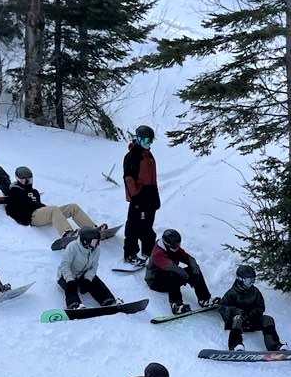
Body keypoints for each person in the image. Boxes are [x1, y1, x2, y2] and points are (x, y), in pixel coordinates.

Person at [4, 166, 103, 238]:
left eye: (29, 179)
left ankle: (92, 229)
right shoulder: (15, 190)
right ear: (18, 179)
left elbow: (39, 206)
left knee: (73, 207)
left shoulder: (34, 192)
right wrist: (24, 219)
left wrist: (46, 209)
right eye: (24, 180)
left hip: (43, 213)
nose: (28, 182)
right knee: (53, 209)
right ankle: (67, 234)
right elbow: (11, 209)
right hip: (31, 217)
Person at [145, 228, 213, 313]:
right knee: (173, 274)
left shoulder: (172, 248)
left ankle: (204, 299)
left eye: (178, 245)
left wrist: (193, 265)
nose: (177, 248)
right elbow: (170, 267)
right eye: (174, 246)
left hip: (170, 276)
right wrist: (185, 275)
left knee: (194, 270)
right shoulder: (158, 253)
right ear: (167, 244)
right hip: (155, 281)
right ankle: (176, 305)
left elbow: (185, 257)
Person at [218, 264, 283, 351]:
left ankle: (274, 345)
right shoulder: (232, 293)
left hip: (251, 321)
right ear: (241, 280)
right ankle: (236, 345)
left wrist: (253, 313)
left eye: (253, 280)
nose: (251, 282)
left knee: (268, 319)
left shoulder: (255, 292)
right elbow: (222, 307)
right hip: (236, 324)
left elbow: (261, 306)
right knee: (237, 318)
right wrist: (236, 311)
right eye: (249, 280)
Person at [120, 124, 159, 267]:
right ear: (139, 139)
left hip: (150, 197)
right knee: (134, 226)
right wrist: (136, 197)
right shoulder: (133, 156)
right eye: (147, 140)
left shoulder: (147, 154)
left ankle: (148, 252)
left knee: (147, 226)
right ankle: (130, 253)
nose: (149, 144)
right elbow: (129, 179)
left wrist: (154, 196)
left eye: (150, 141)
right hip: (139, 198)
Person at [56, 226, 118, 310]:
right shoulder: (72, 247)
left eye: (97, 241)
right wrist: (70, 280)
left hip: (82, 275)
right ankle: (74, 304)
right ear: (85, 241)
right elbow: (65, 265)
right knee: (70, 287)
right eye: (94, 242)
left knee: (95, 280)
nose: (96, 244)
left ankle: (107, 300)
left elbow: (94, 266)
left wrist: (87, 279)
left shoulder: (96, 250)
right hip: (66, 276)